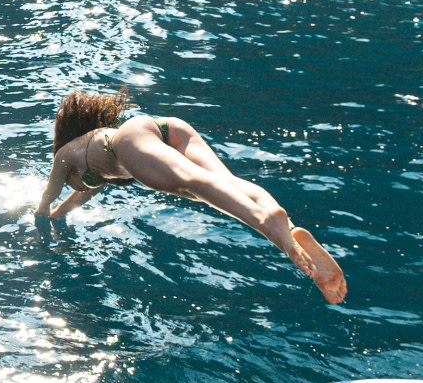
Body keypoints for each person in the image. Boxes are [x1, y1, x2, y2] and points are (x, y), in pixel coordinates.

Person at [34, 89, 347, 304]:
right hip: (166, 128)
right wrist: (59, 215)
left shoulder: (64, 154)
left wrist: (40, 214)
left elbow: (49, 193)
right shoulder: (90, 146)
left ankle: (267, 224)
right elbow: (84, 193)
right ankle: (285, 224)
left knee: (192, 185)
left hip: (127, 142)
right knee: (224, 183)